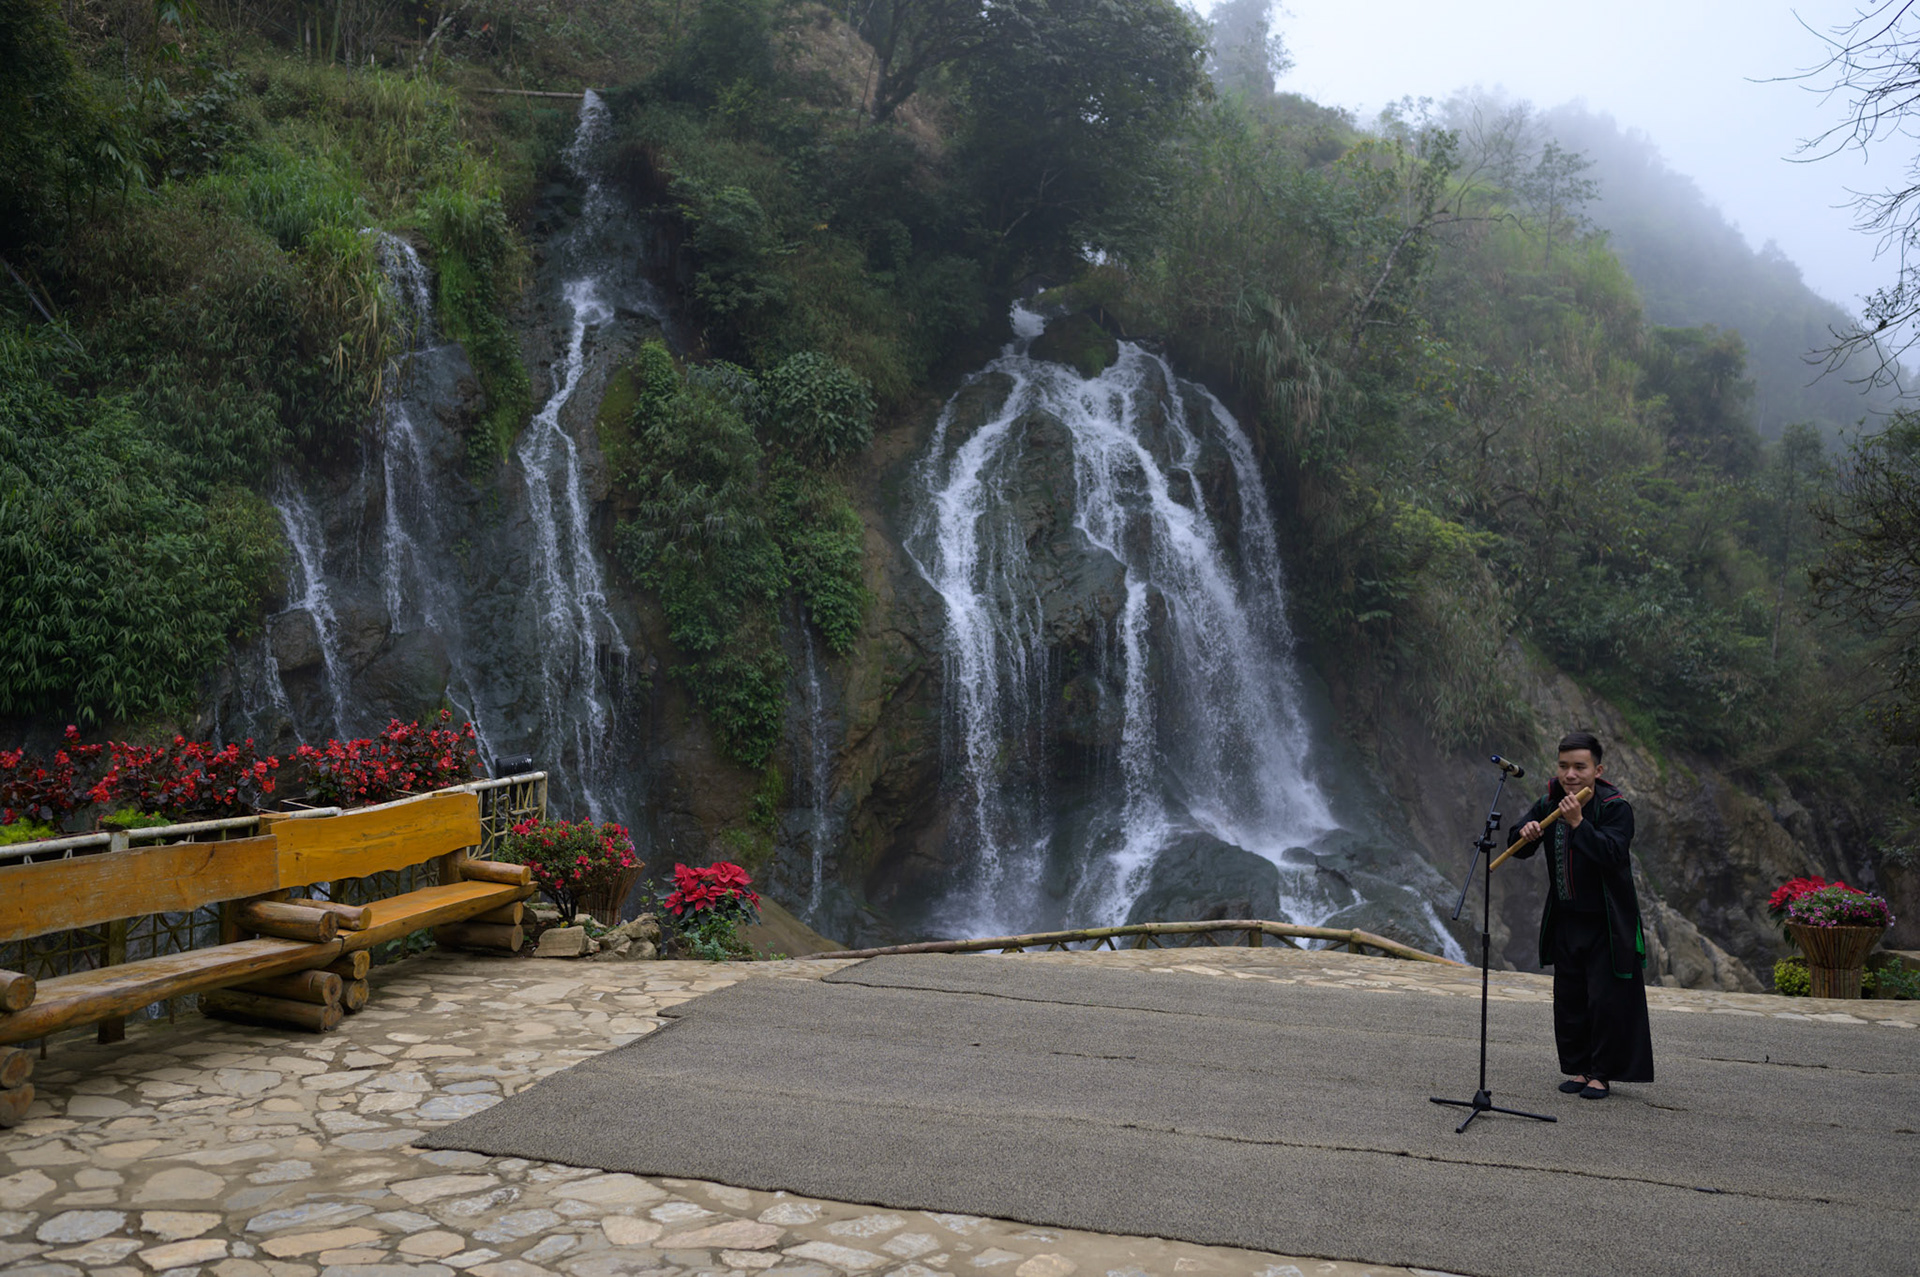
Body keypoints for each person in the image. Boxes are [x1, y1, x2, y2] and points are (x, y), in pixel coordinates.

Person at [1512, 731, 1654, 1099]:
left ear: (1597, 769)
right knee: (1570, 997)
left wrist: (1578, 823)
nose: (1570, 774)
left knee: (1604, 999)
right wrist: (1524, 831)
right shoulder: (1549, 803)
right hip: (1566, 917)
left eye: (1579, 766)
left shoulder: (1614, 806)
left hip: (1606, 921)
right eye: (1564, 766)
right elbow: (1520, 846)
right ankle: (1578, 1068)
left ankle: (1601, 1074)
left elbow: (1612, 853)